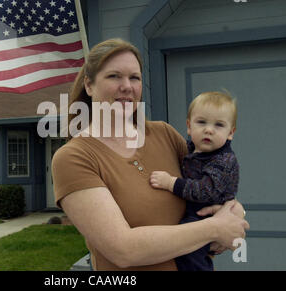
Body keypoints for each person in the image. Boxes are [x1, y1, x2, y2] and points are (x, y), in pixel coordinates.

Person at [52, 38, 249, 271]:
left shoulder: (163, 134)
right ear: (89, 85)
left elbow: (216, 184)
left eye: (134, 77)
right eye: (114, 76)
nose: (127, 86)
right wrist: (214, 229)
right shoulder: (74, 157)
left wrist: (233, 212)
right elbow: (124, 250)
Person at [150, 91, 240, 271]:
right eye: (202, 122)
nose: (209, 129)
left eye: (219, 125)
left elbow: (204, 191)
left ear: (230, 133)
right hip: (195, 214)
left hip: (206, 215)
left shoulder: (223, 160)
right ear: (189, 127)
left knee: (190, 254)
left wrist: (170, 183)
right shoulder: (191, 149)